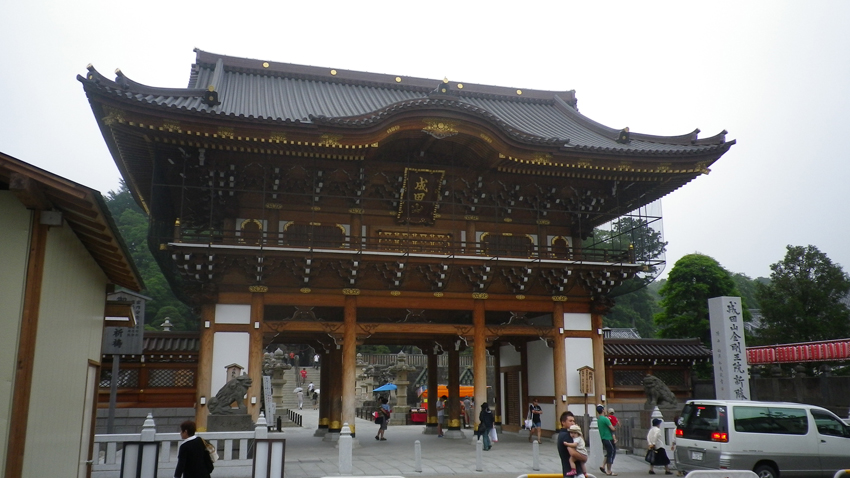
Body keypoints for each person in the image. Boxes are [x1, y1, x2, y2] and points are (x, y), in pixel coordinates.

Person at [558, 411, 586, 478]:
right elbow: (573, 453)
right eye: (570, 421)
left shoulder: (563, 434)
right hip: (574, 474)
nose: (573, 423)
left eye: (573, 421)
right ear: (563, 422)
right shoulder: (567, 435)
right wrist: (584, 457)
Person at [597, 405, 618, 476]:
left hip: (603, 438)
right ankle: (609, 470)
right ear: (603, 410)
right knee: (611, 453)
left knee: (609, 452)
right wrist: (615, 428)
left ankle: (603, 466)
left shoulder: (599, 419)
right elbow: (612, 428)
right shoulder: (605, 419)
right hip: (608, 438)